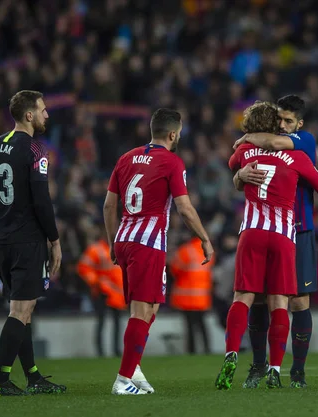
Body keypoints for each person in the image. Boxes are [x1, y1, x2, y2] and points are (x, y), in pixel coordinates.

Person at [215, 101, 318, 390]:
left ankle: (298, 373)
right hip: (282, 232)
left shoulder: (303, 142)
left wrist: (245, 140)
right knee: (268, 300)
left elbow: (259, 147)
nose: (283, 127)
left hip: (298, 230)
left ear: (299, 125)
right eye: (279, 121)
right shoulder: (289, 154)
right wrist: (239, 177)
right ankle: (260, 366)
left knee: (295, 301)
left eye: (289, 122)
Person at [104, 108, 213, 395]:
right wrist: (204, 237)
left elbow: (108, 206)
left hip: (125, 239)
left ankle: (134, 367)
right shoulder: (172, 162)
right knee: (142, 310)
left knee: (147, 307)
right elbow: (184, 208)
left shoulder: (126, 158)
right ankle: (123, 380)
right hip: (147, 243)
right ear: (173, 133)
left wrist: (112, 241)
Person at [0, 90, 66, 396]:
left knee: (22, 309)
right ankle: (0, 381)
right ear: (29, 115)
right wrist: (54, 240)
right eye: (42, 110)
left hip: (0, 239)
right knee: (20, 311)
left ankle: (34, 377)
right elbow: (42, 200)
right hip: (26, 239)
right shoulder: (36, 151)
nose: (46, 115)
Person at [77, 233, 126, 357]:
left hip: (117, 294)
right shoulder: (96, 249)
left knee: (116, 323)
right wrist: (96, 282)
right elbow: (83, 268)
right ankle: (101, 352)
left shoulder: (121, 248)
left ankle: (116, 350)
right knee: (102, 321)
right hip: (102, 292)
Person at [169, 236, 214, 355]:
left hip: (187, 297)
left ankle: (191, 350)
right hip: (202, 296)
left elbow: (174, 269)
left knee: (189, 326)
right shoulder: (208, 249)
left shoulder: (185, 250)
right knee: (202, 324)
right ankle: (207, 349)